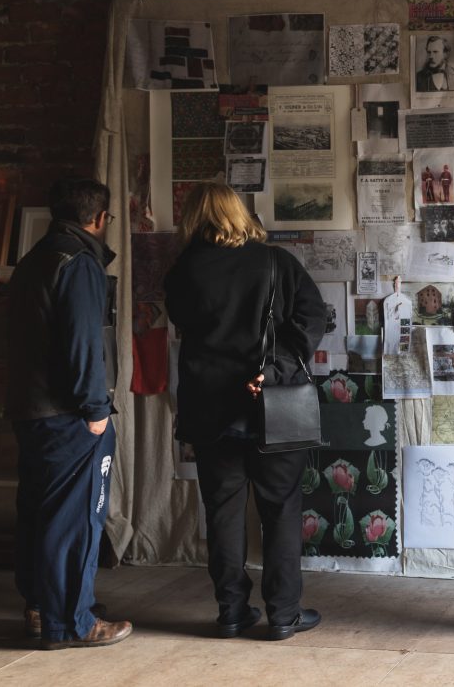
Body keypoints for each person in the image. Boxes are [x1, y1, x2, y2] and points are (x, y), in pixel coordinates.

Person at [164, 182, 327, 641]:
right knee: (280, 511)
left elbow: (185, 324)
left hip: (210, 413)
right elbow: (313, 317)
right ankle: (283, 613)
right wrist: (273, 370)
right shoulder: (275, 262)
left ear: (194, 218)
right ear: (240, 213)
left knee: (223, 515)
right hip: (270, 407)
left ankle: (232, 612)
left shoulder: (182, 272)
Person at [6, 177, 132, 650]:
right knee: (78, 518)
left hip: (29, 408)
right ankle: (74, 623)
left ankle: (42, 608)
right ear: (99, 219)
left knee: (40, 514)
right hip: (69, 414)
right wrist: (96, 408)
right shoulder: (79, 263)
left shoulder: (34, 260)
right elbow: (83, 343)